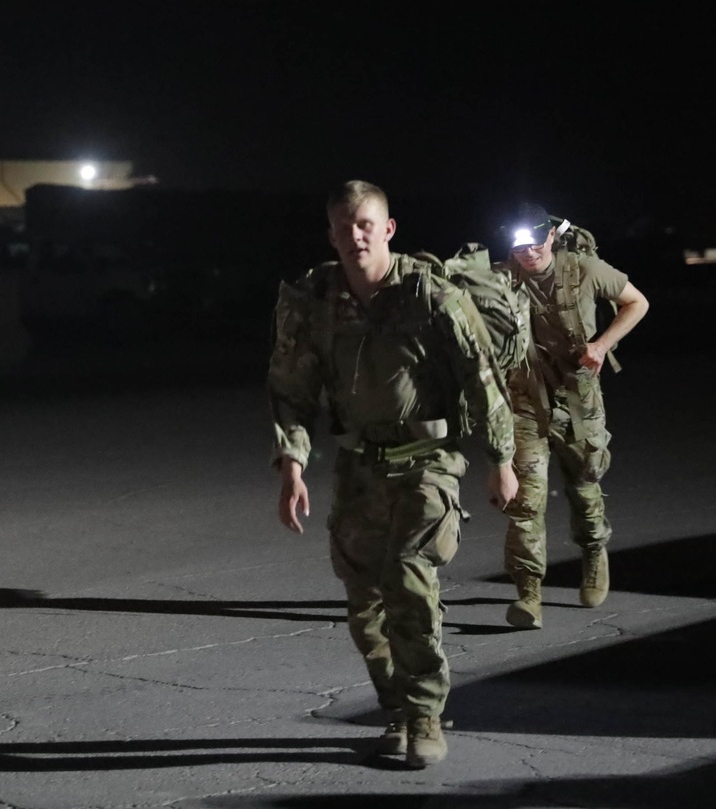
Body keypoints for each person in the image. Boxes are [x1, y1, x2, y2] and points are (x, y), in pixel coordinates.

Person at [267, 180, 518, 768]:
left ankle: (426, 713)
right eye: (344, 226)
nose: (356, 235)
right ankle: (398, 708)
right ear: (331, 234)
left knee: (409, 579)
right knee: (365, 606)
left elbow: (483, 378)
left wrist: (501, 461)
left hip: (427, 462)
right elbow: (290, 390)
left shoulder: (430, 295)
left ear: (388, 229)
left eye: (366, 224)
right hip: (358, 465)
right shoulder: (315, 300)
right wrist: (293, 466)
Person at [500, 202, 650, 630]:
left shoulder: (582, 268)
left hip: (577, 400)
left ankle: (593, 551)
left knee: (584, 485)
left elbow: (637, 302)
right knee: (525, 501)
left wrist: (601, 346)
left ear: (550, 235)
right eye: (518, 246)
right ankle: (528, 595)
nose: (527, 253)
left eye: (534, 243)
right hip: (525, 400)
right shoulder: (502, 277)